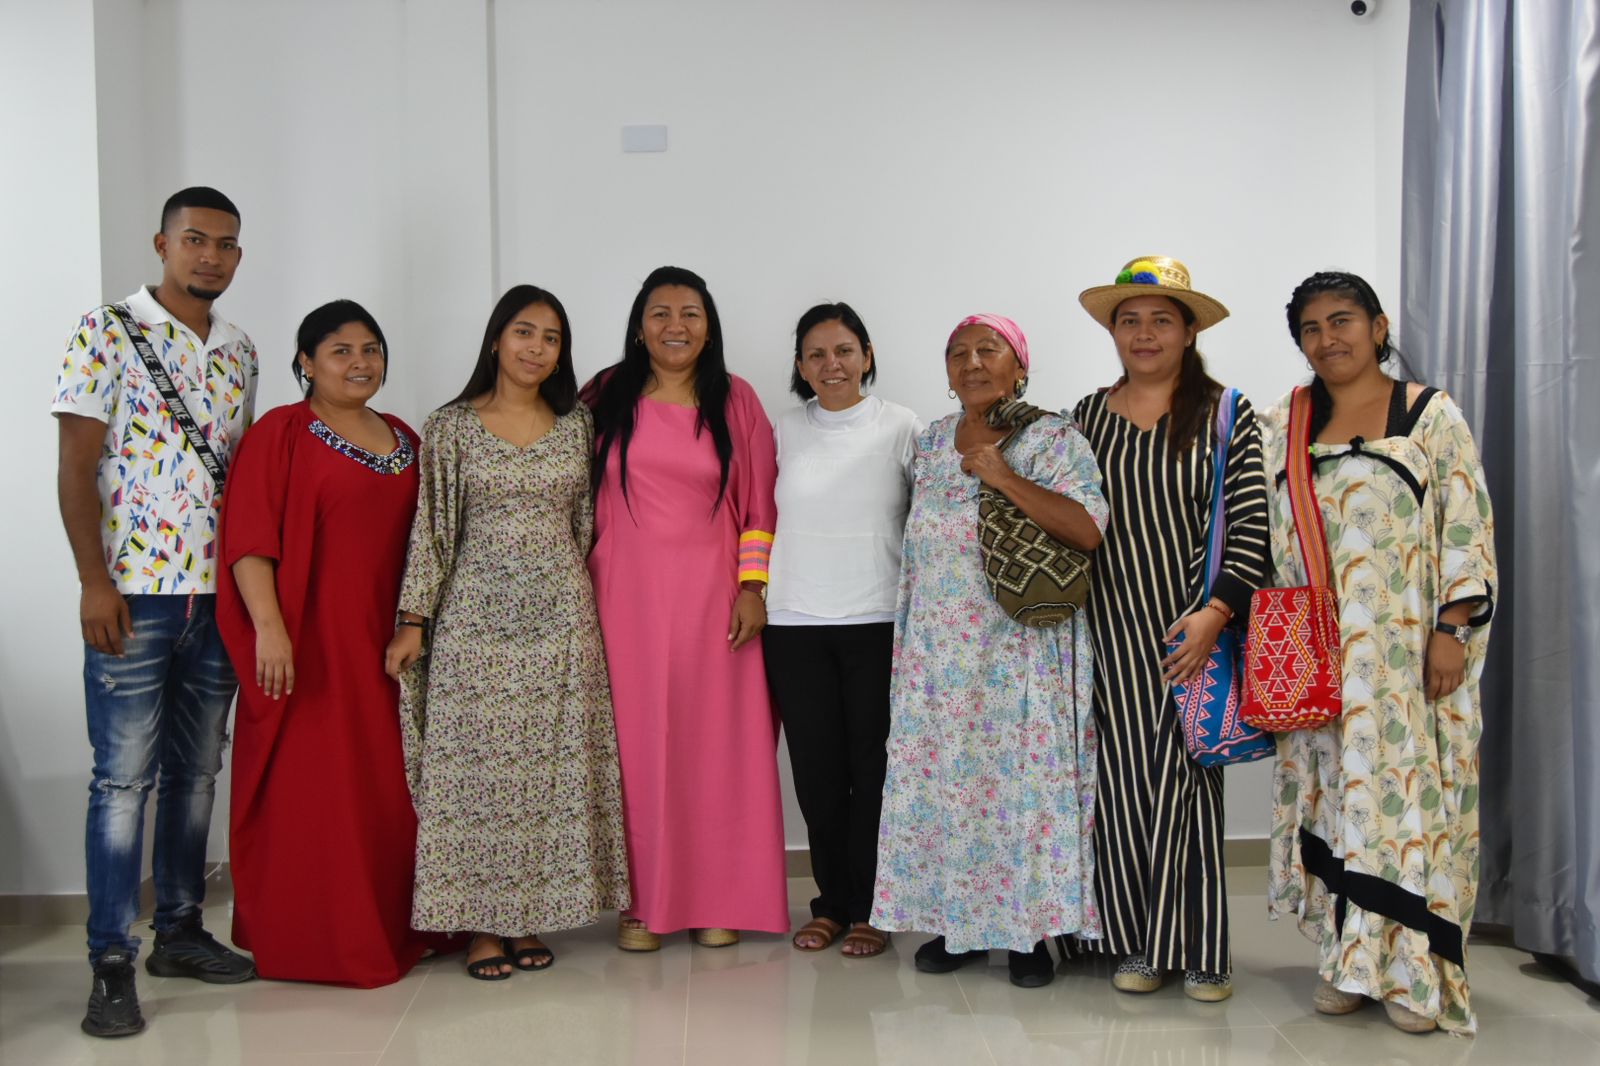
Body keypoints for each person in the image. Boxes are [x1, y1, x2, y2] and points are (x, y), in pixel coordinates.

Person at [1266, 271, 1497, 1035]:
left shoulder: (1430, 414)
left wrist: (1451, 630)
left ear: (1378, 324)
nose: (1328, 338)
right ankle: (1347, 963)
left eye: (1343, 320)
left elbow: (1465, 525)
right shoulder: (1289, 425)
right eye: (1311, 327)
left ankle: (1410, 971)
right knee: (1339, 805)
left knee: (1403, 807)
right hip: (1322, 659)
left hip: (1405, 663)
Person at [52, 186, 258, 1038]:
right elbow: (74, 463)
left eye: (225, 245)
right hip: (133, 595)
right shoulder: (106, 330)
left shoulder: (241, 349)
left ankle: (180, 930)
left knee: (198, 772)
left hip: (217, 600)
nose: (209, 256)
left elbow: (241, 478)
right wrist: (93, 581)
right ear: (162, 243)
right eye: (194, 240)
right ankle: (110, 960)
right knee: (122, 779)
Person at [387, 285, 630, 980]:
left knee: (548, 773)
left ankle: (528, 917)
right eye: (524, 332)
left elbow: (585, 524)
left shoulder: (578, 426)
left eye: (551, 338)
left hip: (561, 623)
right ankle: (483, 925)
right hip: (474, 623)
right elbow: (432, 532)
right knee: (477, 776)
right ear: (496, 340)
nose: (536, 348)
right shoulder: (452, 426)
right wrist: (414, 621)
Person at [216, 300, 449, 987]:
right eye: (341, 350)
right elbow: (249, 537)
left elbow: (432, 541)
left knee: (388, 790)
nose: (359, 362)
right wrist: (270, 630)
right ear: (306, 364)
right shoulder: (281, 432)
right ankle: (321, 938)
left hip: (392, 645)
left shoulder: (407, 436)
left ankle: (400, 924)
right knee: (319, 789)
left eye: (371, 348)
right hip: (309, 643)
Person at [870, 313, 1106, 988]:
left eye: (988, 350)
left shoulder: (1054, 437)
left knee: (1019, 791)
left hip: (1022, 654)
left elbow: (1088, 530)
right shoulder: (932, 441)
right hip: (940, 659)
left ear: (1019, 366)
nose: (972, 362)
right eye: (958, 353)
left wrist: (1002, 476)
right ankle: (960, 924)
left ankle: (1029, 934)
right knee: (951, 788)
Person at [1070, 257, 1271, 1001]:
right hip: (1107, 630)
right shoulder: (1085, 417)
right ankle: (1133, 943)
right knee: (1119, 785)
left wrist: (1216, 614)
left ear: (1189, 331)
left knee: (1187, 784)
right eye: (1130, 319)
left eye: (1162, 319)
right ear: (1113, 332)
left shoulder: (1226, 412)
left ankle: (1200, 949)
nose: (1145, 333)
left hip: (1192, 626)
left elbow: (1252, 523)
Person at [584, 265, 788, 950]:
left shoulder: (737, 400)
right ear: (639, 324)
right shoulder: (602, 396)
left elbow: (761, 506)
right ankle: (640, 904)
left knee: (717, 747)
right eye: (661, 312)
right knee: (636, 747)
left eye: (691, 313)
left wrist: (753, 589)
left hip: (715, 604)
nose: (676, 326)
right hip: (622, 600)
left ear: (710, 325)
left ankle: (716, 895)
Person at [765, 302, 920, 959]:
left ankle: (872, 907)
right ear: (800, 365)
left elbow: (929, 518)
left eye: (845, 350)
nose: (832, 364)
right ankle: (829, 905)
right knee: (816, 775)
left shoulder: (902, 426)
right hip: (794, 622)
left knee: (875, 772)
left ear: (867, 354)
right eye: (817, 354)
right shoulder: (778, 430)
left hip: (878, 620)